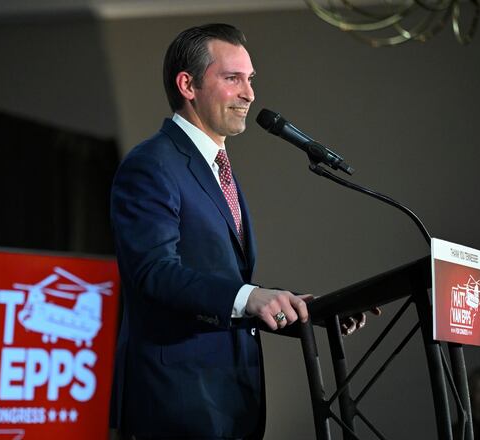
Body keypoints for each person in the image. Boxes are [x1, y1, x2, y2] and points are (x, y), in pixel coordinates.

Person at [109, 23, 371, 439]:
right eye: (232, 79)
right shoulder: (152, 165)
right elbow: (153, 273)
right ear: (187, 85)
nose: (249, 93)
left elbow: (219, 282)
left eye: (250, 80)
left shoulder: (216, 170)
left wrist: (302, 310)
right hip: (177, 403)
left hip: (230, 401)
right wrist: (250, 298)